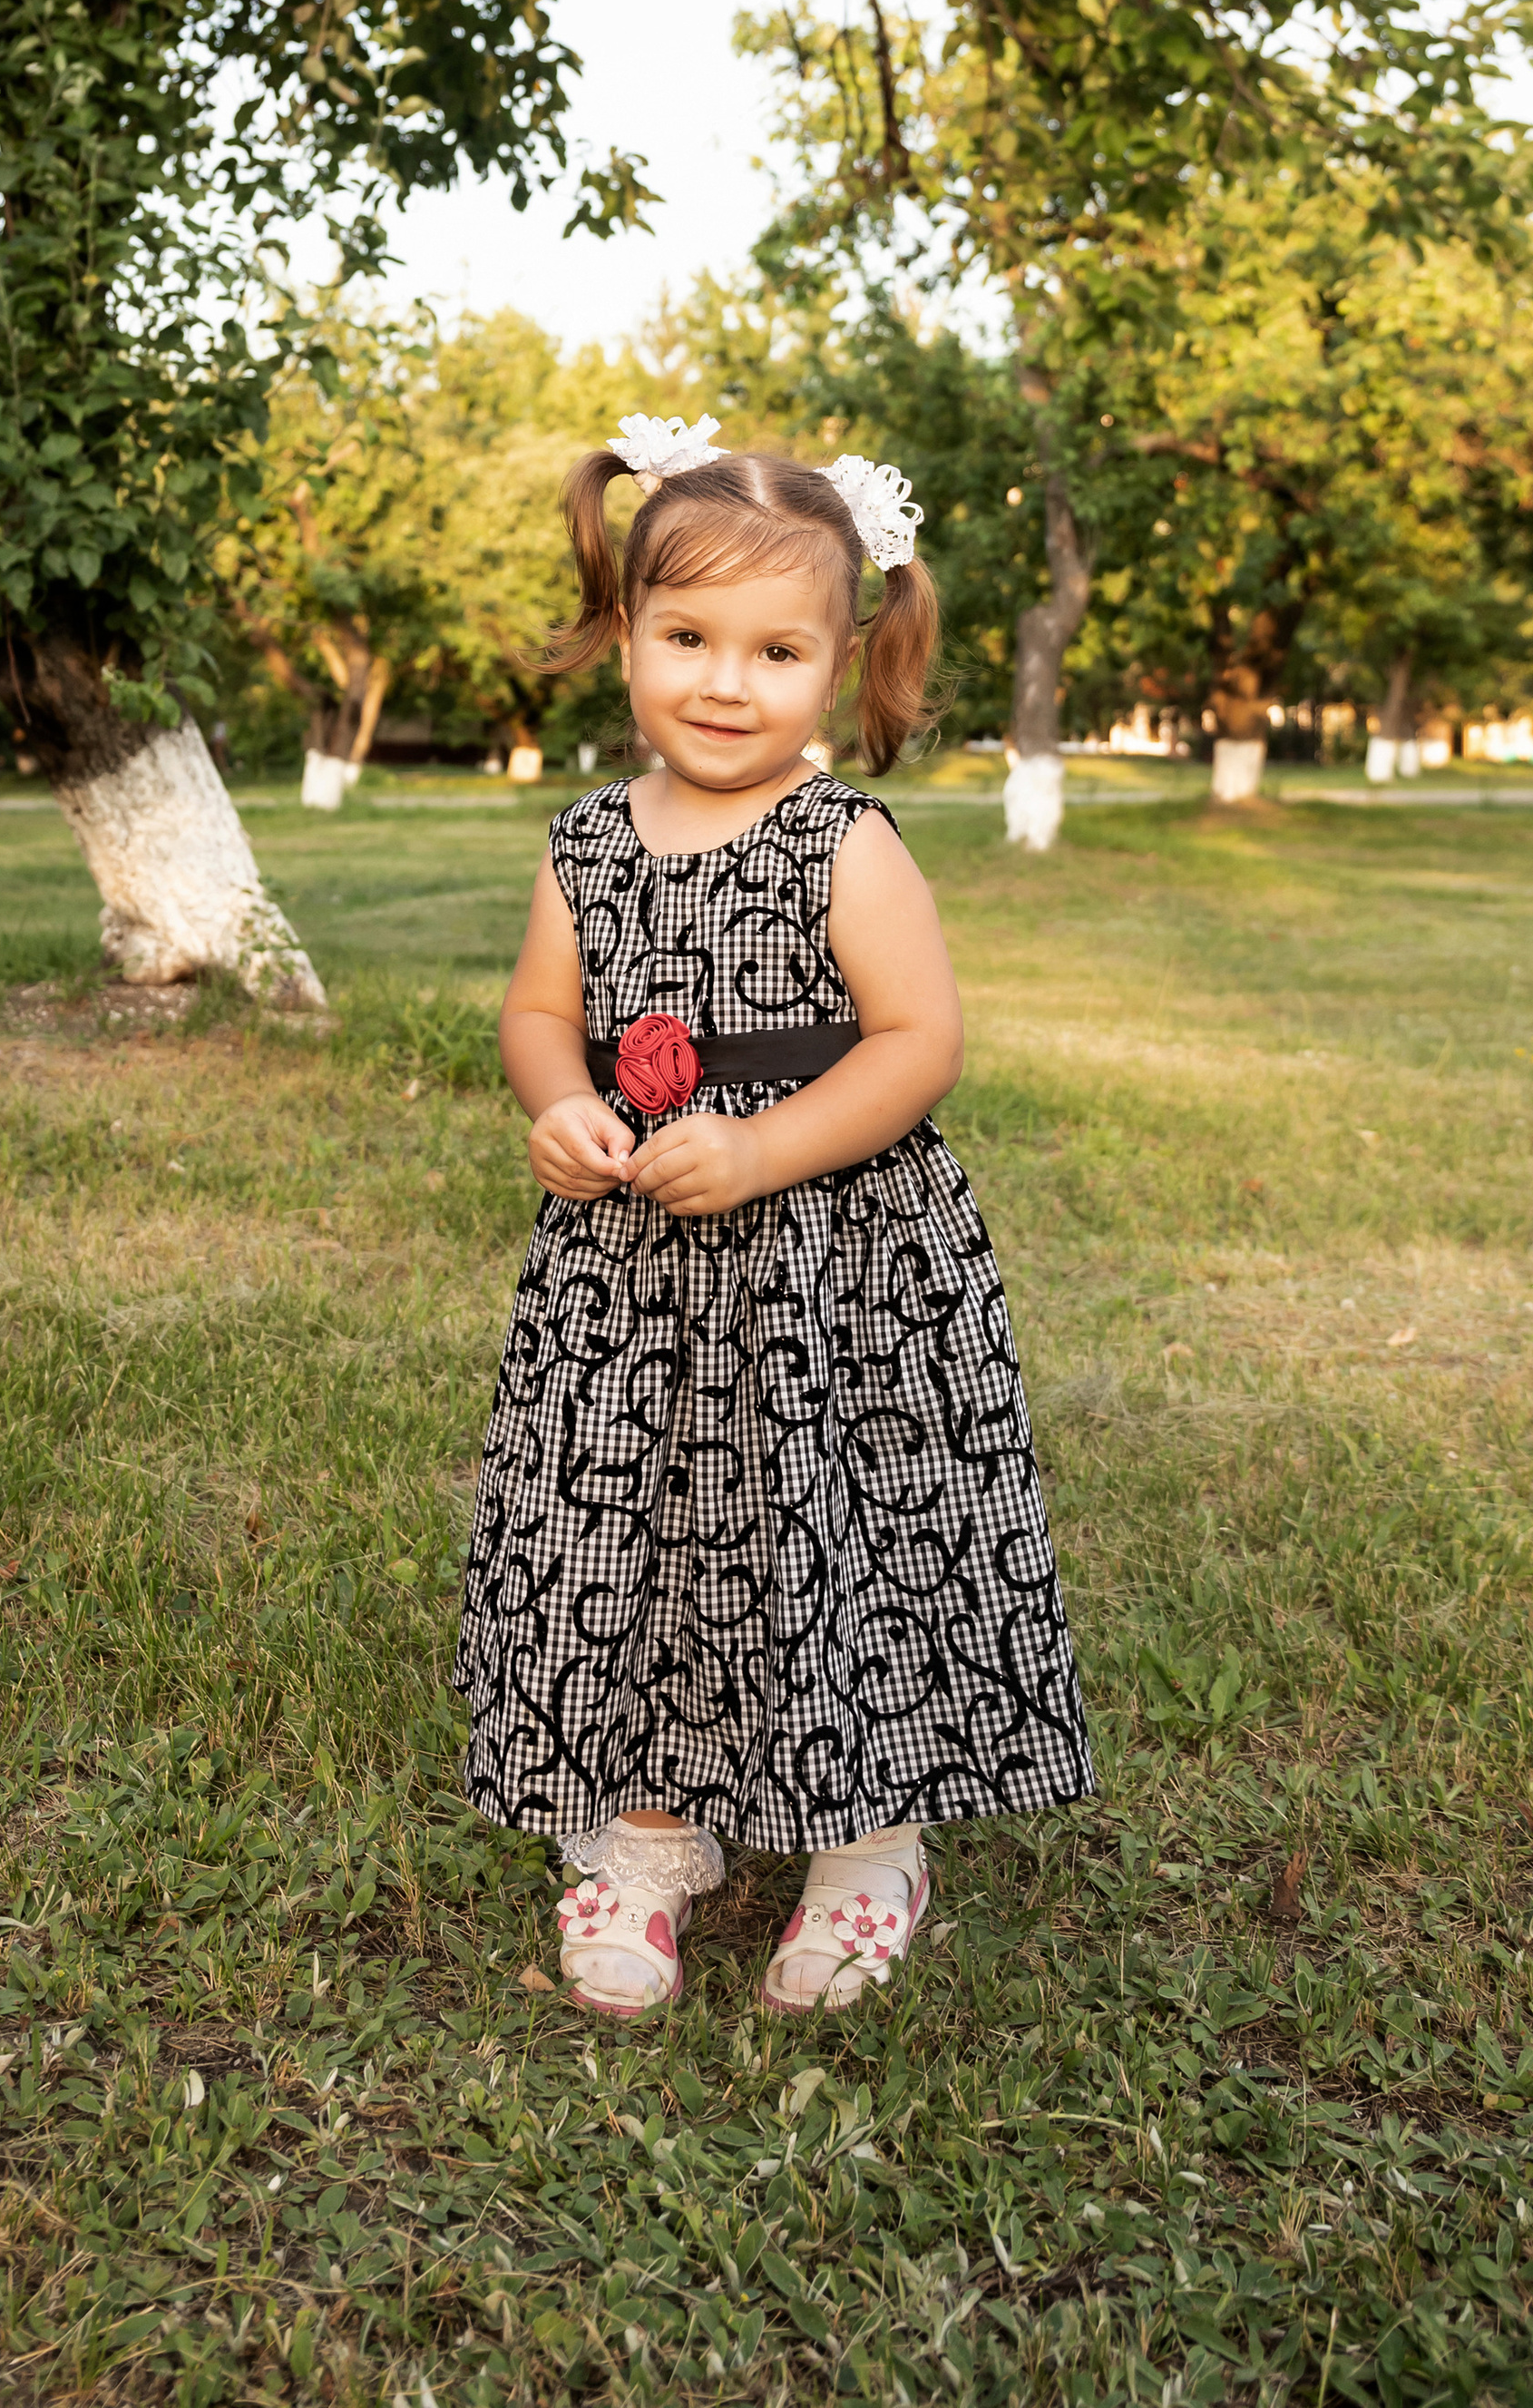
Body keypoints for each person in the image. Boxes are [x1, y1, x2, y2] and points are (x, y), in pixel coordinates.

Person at [454, 418, 1095, 2017]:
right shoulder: (588, 841)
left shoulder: (843, 844)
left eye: (777, 648)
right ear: (626, 634)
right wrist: (560, 1101)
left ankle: (867, 1842)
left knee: (838, 1535)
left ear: (842, 662)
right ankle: (656, 1833)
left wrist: (764, 1150)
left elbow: (919, 1046)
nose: (726, 682)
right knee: (642, 1532)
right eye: (687, 638)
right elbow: (545, 1012)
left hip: (836, 1273)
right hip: (633, 1280)